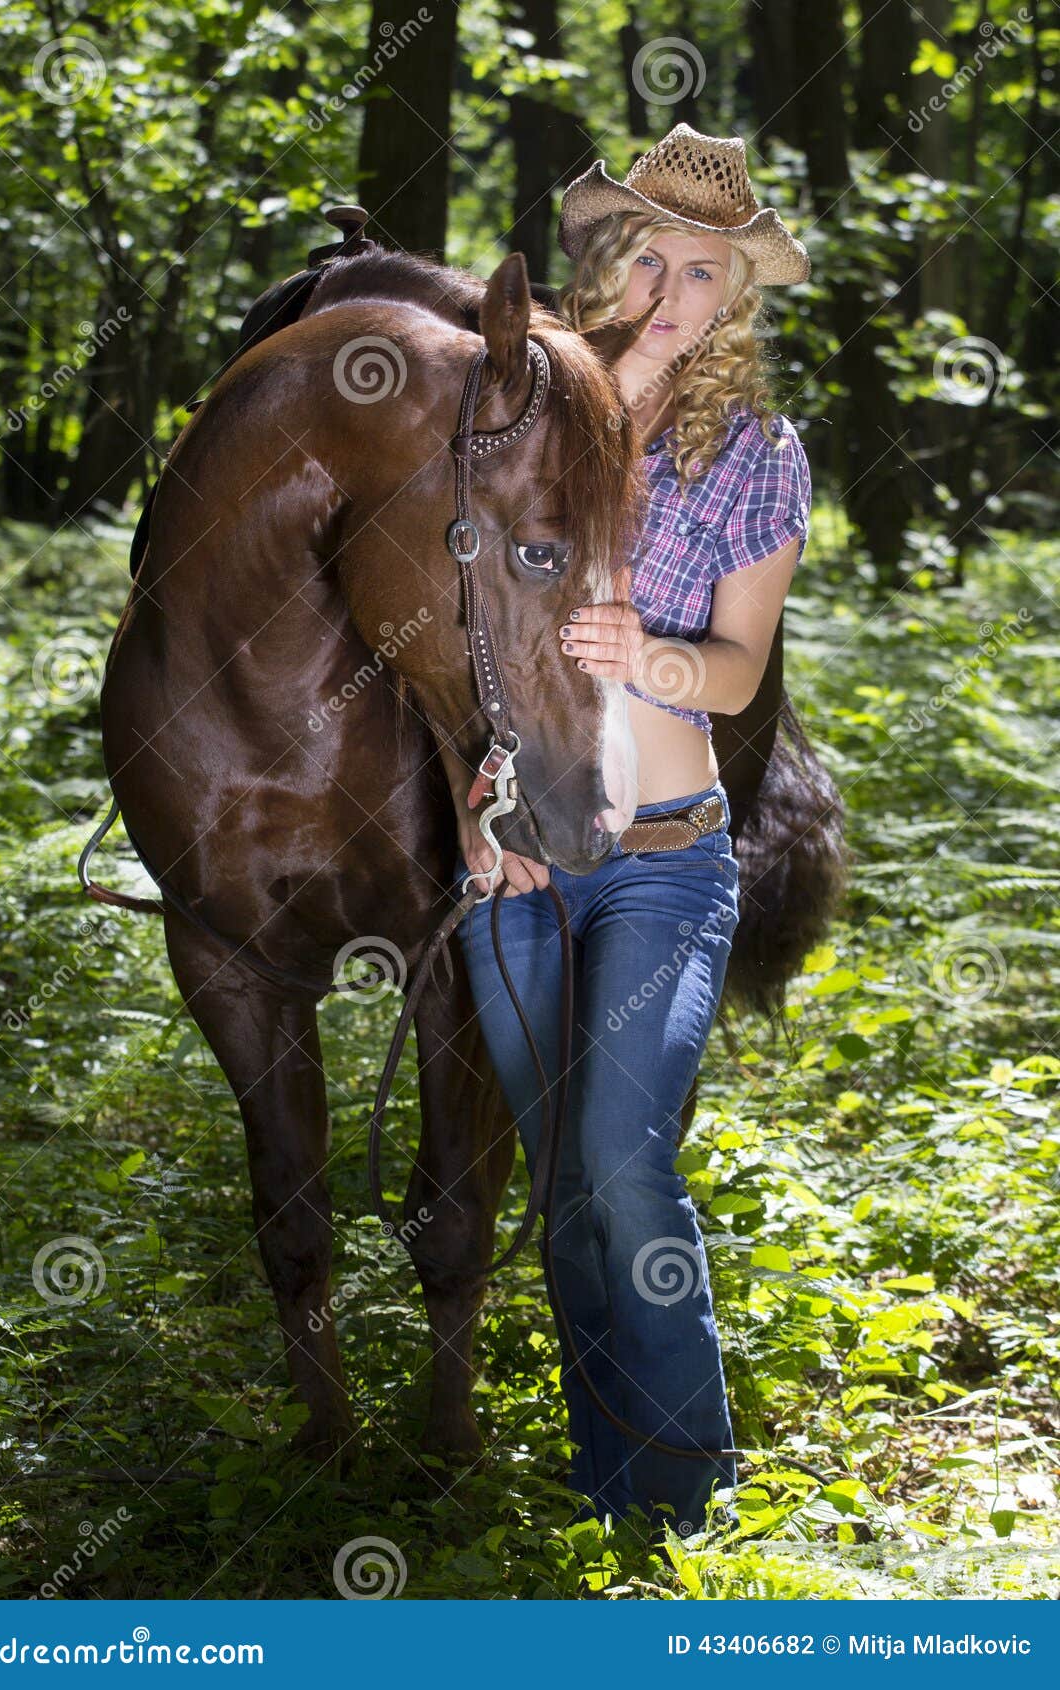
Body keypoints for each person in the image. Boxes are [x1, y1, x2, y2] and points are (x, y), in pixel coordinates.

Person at [438, 125, 813, 1539]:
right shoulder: (524, 412)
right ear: (610, 258)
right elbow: (463, 638)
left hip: (664, 862)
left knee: (620, 1164)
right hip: (521, 864)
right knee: (560, 1192)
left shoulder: (758, 456)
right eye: (647, 253)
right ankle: (617, 1490)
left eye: (703, 270)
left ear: (737, 297)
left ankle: (689, 1500)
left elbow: (736, 671)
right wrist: (483, 807)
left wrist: (643, 655)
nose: (670, 286)